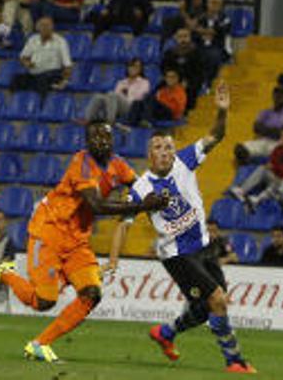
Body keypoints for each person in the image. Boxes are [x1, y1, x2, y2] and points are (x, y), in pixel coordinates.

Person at [0, 121, 169, 363]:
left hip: (77, 239)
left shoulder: (118, 164)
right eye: (95, 137)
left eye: (105, 136)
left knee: (92, 293)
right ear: (87, 142)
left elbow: (139, 186)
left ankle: (39, 344)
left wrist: (158, 195)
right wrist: (142, 205)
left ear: (113, 140)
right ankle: (5, 274)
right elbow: (97, 205)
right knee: (44, 302)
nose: (101, 141)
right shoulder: (81, 164)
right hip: (50, 231)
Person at [107, 83, 255, 373]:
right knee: (218, 301)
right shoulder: (141, 188)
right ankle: (234, 361)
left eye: (168, 147)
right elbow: (122, 224)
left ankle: (166, 333)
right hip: (177, 255)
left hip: (203, 246)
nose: (164, 152)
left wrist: (222, 112)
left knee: (206, 309)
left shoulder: (184, 161)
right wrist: (113, 259)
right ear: (150, 155)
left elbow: (216, 136)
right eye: (158, 148)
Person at [230, 126, 283, 209]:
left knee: (277, 182)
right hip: (277, 178)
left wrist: (274, 167)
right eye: (282, 136)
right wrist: (270, 167)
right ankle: (242, 191)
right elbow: (272, 163)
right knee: (262, 168)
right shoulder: (278, 149)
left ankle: (258, 200)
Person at [233, 86, 283, 163]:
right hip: (264, 141)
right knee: (240, 148)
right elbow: (256, 128)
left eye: (280, 96)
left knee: (281, 152)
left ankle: (258, 159)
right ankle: (253, 159)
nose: (277, 99)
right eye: (275, 96)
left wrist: (265, 130)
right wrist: (274, 131)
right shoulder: (266, 112)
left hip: (279, 143)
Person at [11, 16, 72, 96]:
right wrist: (26, 63)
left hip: (52, 74)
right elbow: (23, 57)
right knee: (16, 79)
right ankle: (17, 104)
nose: (45, 28)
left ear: (52, 27)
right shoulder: (33, 39)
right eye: (42, 25)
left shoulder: (61, 41)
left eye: (47, 25)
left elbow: (67, 65)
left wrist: (65, 81)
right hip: (34, 74)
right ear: (38, 28)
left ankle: (41, 105)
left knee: (42, 80)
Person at [83, 58, 150, 125]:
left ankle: (110, 121)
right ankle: (88, 119)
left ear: (141, 69)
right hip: (119, 106)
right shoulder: (121, 82)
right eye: (131, 66)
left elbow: (139, 98)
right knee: (99, 97)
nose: (133, 69)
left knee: (112, 94)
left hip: (133, 108)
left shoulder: (144, 82)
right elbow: (115, 97)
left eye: (136, 66)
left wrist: (127, 93)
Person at [161, 27, 205, 112]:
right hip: (172, 81)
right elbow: (164, 68)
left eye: (185, 36)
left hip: (190, 84)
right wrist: (173, 81)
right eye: (180, 37)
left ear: (190, 38)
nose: (183, 39)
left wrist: (188, 82)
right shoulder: (170, 53)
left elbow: (200, 74)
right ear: (176, 38)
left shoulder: (197, 53)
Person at [195, 0, 233, 88]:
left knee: (212, 56)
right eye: (212, 2)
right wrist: (203, 33)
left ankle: (209, 85)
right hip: (201, 47)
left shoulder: (225, 18)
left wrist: (203, 31)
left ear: (221, 5)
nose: (213, 6)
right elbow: (194, 32)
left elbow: (220, 31)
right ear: (207, 4)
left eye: (216, 3)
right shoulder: (201, 17)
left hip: (218, 48)